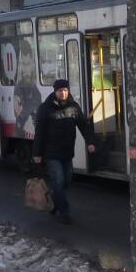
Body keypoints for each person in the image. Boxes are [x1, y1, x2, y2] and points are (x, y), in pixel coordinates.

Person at [30, 79, 95, 225]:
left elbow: (84, 125)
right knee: (58, 181)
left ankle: (53, 201)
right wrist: (37, 154)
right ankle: (65, 212)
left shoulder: (74, 107)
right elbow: (39, 132)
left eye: (65, 90)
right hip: (51, 153)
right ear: (55, 92)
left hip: (67, 153)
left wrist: (90, 142)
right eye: (60, 91)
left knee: (66, 181)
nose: (63, 93)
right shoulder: (45, 108)